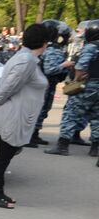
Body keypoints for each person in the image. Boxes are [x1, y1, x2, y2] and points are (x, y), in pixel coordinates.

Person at [0, 23, 50, 207]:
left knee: (4, 155)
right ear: (44, 42)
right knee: (3, 156)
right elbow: (9, 85)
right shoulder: (27, 61)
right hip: (12, 116)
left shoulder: (25, 58)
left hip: (14, 114)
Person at [47, 23, 99, 158]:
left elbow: (81, 67)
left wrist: (76, 80)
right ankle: (95, 148)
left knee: (71, 113)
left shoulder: (91, 47)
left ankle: (62, 146)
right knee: (96, 117)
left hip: (87, 85)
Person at [28, 19, 70, 147]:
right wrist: (65, 65)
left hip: (47, 85)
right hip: (44, 84)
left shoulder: (49, 48)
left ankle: (34, 134)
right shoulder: (52, 50)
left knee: (44, 109)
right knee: (39, 109)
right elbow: (50, 69)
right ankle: (29, 136)